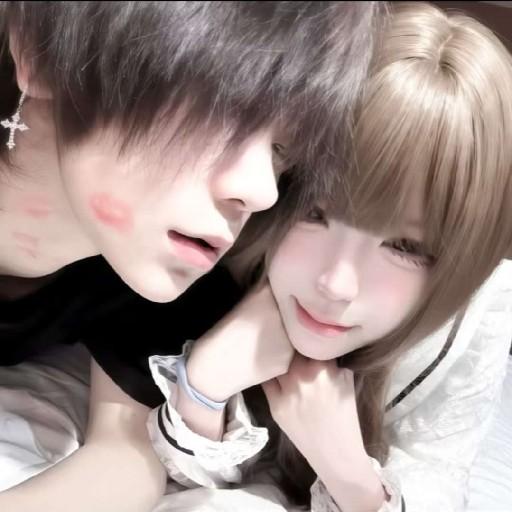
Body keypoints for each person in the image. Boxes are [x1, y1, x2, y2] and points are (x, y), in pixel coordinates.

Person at [0, 2, 384, 512]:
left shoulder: (159, 266)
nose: (262, 191)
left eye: (282, 150)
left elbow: (125, 456)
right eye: (224, 109)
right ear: (39, 52)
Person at [148, 3, 512, 511]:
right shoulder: (229, 234)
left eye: (405, 247)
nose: (336, 284)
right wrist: (203, 386)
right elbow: (175, 470)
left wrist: (345, 469)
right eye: (315, 212)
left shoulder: (480, 308)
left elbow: (440, 476)